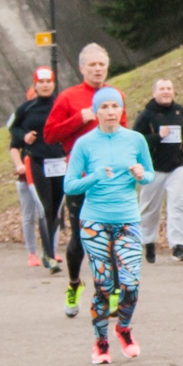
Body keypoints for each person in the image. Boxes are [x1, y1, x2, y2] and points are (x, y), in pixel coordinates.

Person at [63, 87, 153, 363]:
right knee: (103, 285)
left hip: (127, 219)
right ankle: (100, 342)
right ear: (96, 112)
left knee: (130, 283)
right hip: (94, 221)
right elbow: (70, 184)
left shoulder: (136, 140)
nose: (111, 112)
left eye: (116, 106)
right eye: (104, 107)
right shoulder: (85, 144)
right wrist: (94, 176)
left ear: (122, 110)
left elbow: (149, 174)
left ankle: (123, 328)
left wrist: (141, 174)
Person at [44, 44, 114, 318]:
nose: (98, 69)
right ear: (82, 68)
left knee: (111, 236)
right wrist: (77, 119)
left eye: (102, 64)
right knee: (80, 240)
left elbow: (123, 133)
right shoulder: (68, 97)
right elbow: (50, 135)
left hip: (110, 179)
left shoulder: (114, 95)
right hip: (81, 178)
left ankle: (108, 294)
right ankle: (74, 284)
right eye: (92, 65)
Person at [9, 67, 67, 272]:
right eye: (40, 82)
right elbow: (13, 129)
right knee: (44, 208)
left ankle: (49, 250)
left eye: (48, 81)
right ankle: (49, 256)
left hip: (59, 162)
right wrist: (24, 136)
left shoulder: (61, 104)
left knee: (56, 209)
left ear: (53, 84)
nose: (44, 85)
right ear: (35, 84)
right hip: (37, 162)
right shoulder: (26, 108)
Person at [133, 78, 183, 263]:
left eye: (169, 88)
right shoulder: (146, 115)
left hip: (177, 165)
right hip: (153, 167)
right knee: (150, 208)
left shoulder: (179, 111)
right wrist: (157, 137)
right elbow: (136, 139)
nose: (166, 92)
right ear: (154, 93)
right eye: (162, 89)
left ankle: (178, 245)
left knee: (179, 204)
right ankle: (149, 242)